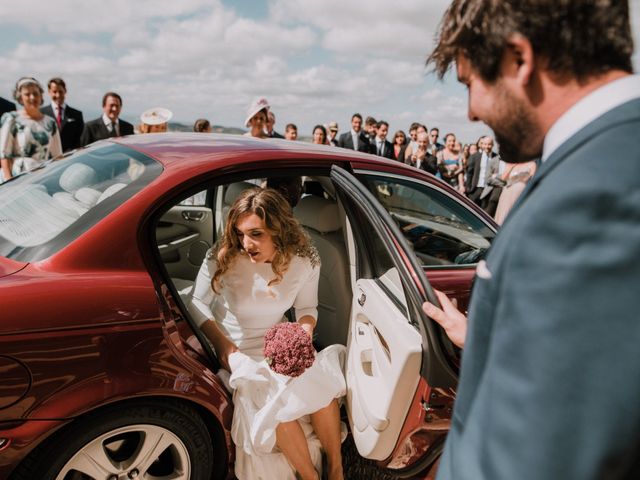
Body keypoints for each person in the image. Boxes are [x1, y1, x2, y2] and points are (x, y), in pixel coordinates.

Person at [423, 1, 640, 479]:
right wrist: (483, 332)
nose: (471, 112)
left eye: (469, 84)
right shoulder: (608, 156)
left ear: (518, 60)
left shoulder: (587, 202)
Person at [188, 188, 346, 480]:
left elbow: (307, 307)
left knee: (322, 390)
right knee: (275, 404)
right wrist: (227, 350)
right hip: (238, 353)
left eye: (256, 234)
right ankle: (310, 477)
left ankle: (336, 470)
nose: (246, 243)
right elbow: (196, 303)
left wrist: (303, 334)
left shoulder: (305, 261)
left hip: (281, 346)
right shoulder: (223, 256)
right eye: (240, 233)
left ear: (279, 229)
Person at [0, 77, 62, 182]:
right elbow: (4, 155)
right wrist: (9, 181)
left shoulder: (50, 123)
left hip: (42, 177)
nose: (32, 97)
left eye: (35, 93)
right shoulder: (12, 119)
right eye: (27, 94)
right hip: (15, 177)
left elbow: (58, 156)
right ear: (20, 98)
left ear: (41, 95)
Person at [40, 77, 84, 152]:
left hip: (71, 158)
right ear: (49, 92)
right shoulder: (41, 113)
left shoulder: (76, 115)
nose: (58, 95)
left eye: (60, 91)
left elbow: (81, 140)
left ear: (65, 91)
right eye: (54, 92)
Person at [494, 160, 537, 225]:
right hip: (507, 192)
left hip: (519, 193)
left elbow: (533, 181)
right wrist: (511, 166)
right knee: (502, 213)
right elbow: (503, 178)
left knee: (511, 215)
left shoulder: (532, 164)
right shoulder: (512, 162)